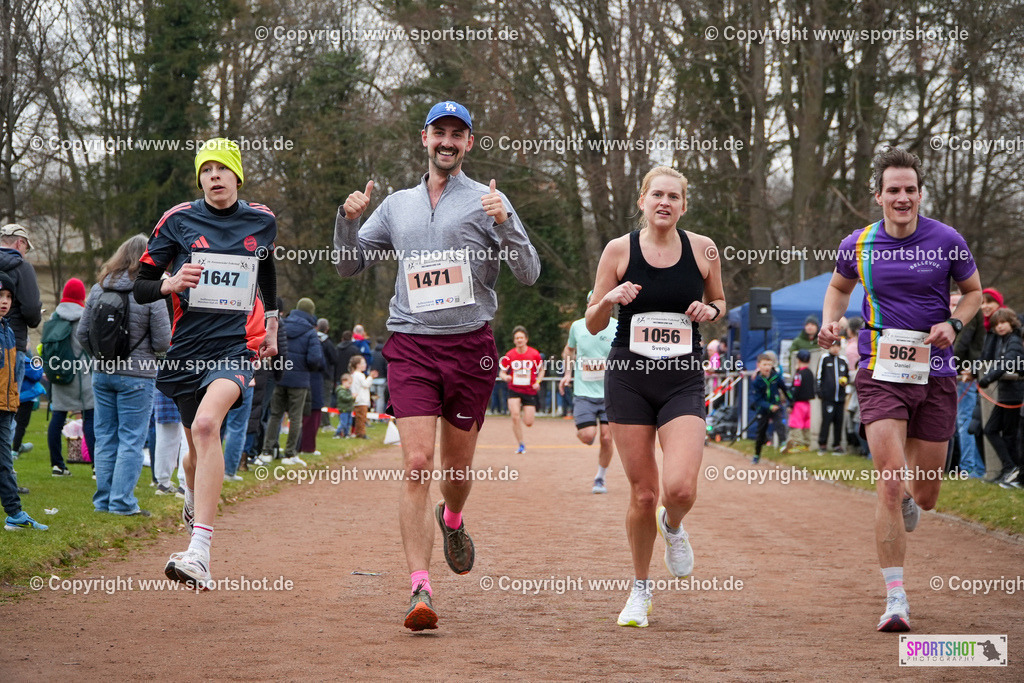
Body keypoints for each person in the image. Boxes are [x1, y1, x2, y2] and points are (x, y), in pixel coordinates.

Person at [334, 99, 540, 630]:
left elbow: (529, 273)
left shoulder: (490, 200)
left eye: (458, 134)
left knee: (455, 472)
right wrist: (345, 220)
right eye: (439, 132)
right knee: (417, 464)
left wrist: (509, 223)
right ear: (423, 139)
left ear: (469, 143)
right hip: (411, 344)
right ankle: (419, 590)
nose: (447, 141)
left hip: (470, 346)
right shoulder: (398, 205)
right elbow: (347, 263)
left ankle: (452, 518)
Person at [818, 147, 981, 632]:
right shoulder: (858, 243)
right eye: (894, 189)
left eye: (910, 189)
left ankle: (913, 495)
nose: (903, 197)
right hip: (879, 368)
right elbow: (838, 289)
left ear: (920, 193)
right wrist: (831, 323)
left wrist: (954, 322)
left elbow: (974, 293)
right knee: (889, 478)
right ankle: (895, 598)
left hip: (935, 373)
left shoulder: (947, 239)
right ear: (879, 195)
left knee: (926, 496)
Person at [133, 137, 278, 588]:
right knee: (195, 454)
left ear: (237, 175)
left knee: (205, 427)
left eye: (222, 168)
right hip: (185, 354)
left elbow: (266, 269)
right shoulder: (177, 221)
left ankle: (200, 551)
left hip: (235, 350)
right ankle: (193, 496)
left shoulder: (262, 220)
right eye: (206, 170)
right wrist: (171, 283)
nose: (214, 176)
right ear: (200, 178)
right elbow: (140, 286)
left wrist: (271, 323)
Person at [586, 165, 725, 628]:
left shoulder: (704, 250)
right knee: (644, 495)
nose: (664, 202)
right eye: (656, 195)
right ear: (642, 200)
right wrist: (610, 299)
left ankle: (675, 526)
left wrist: (711, 309)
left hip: (682, 377)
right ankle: (640, 590)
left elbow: (720, 301)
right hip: (628, 376)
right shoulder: (618, 250)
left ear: (684, 205)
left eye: (674, 197)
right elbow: (591, 322)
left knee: (680, 488)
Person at [79, 235, 171, 517]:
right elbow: (163, 342)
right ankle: (122, 502)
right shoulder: (150, 292)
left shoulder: (99, 288)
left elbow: (82, 334)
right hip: (138, 376)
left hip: (102, 374)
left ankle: (103, 502)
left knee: (105, 436)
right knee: (131, 439)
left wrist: (101, 357)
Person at [0, 273, 47, 531]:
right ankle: (15, 513)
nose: (4, 302)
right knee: (4, 463)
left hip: (6, 407)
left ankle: (15, 514)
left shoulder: (7, 330)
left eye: (8, 297)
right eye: (0, 296)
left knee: (4, 462)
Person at [559, 290, 615, 493]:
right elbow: (569, 349)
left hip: (610, 393)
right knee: (587, 436)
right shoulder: (577, 326)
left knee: (607, 437)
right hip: (584, 391)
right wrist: (567, 373)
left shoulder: (617, 326)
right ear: (588, 304)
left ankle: (600, 478)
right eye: (594, 302)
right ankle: (584, 428)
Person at [261, 298, 322, 466]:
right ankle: (290, 453)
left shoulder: (282, 324)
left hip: (279, 376)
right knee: (295, 418)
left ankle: (267, 451)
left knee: (275, 415)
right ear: (311, 312)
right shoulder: (310, 332)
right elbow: (315, 358)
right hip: (300, 380)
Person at [46, 278, 95, 477]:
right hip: (83, 377)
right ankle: (96, 467)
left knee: (57, 419)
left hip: (60, 377)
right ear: (81, 295)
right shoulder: (86, 317)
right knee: (90, 419)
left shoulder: (54, 317)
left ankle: (57, 465)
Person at [978, 308, 1023, 487]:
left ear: (1011, 322)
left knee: (1009, 435)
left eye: (1003, 322)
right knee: (990, 429)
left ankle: (1012, 471)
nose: (1000, 327)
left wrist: (988, 378)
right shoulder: (1001, 341)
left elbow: (1009, 362)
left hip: (1014, 396)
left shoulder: (1014, 341)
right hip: (1004, 395)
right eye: (996, 324)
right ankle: (1009, 468)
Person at [951, 293, 986, 478]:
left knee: (966, 421)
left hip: (966, 375)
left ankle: (970, 469)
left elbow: (962, 345)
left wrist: (948, 366)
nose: (954, 307)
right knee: (963, 422)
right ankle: (971, 468)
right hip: (961, 374)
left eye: (957, 303)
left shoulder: (968, 316)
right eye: (951, 303)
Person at [498, 326, 544, 453]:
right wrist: (505, 376)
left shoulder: (534, 354)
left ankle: (526, 414)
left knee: (529, 422)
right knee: (515, 416)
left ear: (526, 339)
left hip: (529, 391)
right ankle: (521, 444)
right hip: (514, 389)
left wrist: (538, 382)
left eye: (521, 338)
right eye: (517, 338)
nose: (519, 340)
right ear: (514, 341)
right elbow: (501, 372)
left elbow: (541, 371)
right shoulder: (509, 355)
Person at [751, 353, 790, 463]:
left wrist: (791, 401)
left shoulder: (776, 377)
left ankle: (783, 444)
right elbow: (757, 399)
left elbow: (785, 390)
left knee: (779, 424)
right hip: (763, 409)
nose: (767, 367)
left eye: (769, 365)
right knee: (761, 433)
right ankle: (756, 455)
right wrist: (769, 406)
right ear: (758, 365)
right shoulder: (756, 381)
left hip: (776, 406)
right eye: (764, 365)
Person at [816, 339, 849, 454]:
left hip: (840, 397)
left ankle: (837, 444)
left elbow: (847, 377)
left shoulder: (843, 360)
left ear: (840, 348)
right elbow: (819, 376)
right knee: (826, 420)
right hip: (828, 397)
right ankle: (822, 444)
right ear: (829, 347)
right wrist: (819, 391)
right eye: (833, 346)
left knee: (839, 421)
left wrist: (845, 387)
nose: (835, 348)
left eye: (837, 346)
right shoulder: (824, 359)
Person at [786, 349, 815, 452]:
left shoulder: (799, 374)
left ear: (798, 360)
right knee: (806, 425)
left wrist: (790, 404)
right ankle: (807, 445)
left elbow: (795, 390)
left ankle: (797, 444)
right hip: (808, 404)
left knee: (796, 424)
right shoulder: (810, 373)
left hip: (798, 404)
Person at [348, 355, 374, 439]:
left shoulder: (354, 375)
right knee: (361, 418)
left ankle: (357, 432)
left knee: (360, 418)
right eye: (363, 363)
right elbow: (366, 384)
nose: (365, 365)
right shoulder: (359, 375)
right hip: (361, 400)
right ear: (357, 365)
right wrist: (371, 377)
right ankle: (361, 434)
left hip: (358, 399)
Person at [333, 373, 355, 438]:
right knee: (343, 423)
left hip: (349, 409)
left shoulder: (348, 391)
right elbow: (343, 398)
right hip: (343, 410)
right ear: (343, 382)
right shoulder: (341, 390)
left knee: (349, 423)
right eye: (349, 383)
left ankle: (346, 434)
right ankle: (337, 433)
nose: (350, 385)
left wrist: (353, 398)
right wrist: (352, 397)